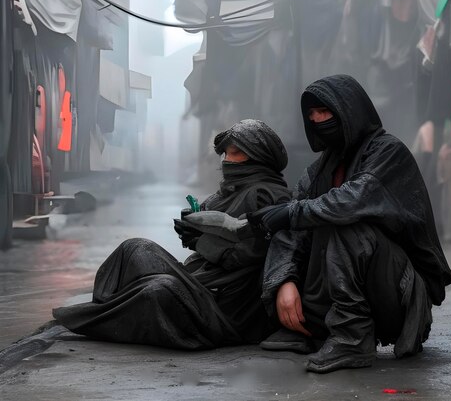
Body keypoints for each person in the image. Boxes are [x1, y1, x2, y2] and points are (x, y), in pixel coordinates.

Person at [248, 75, 451, 373]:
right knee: (294, 223)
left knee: (345, 223)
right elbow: (293, 229)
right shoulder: (318, 170)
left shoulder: (388, 152)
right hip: (351, 290)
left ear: (349, 110)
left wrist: (292, 212)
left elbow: (353, 200)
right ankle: (314, 326)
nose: (318, 120)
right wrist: (284, 283)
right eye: (312, 115)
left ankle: (352, 338)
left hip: (400, 295)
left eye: (325, 112)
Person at [53, 119, 291, 349]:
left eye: (236, 153)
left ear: (259, 157)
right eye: (226, 154)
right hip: (199, 280)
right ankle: (104, 308)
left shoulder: (270, 196)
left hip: (226, 304)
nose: (228, 160)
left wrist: (202, 242)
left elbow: (249, 255)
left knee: (160, 289)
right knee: (133, 248)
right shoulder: (226, 193)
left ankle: (99, 318)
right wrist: (192, 230)